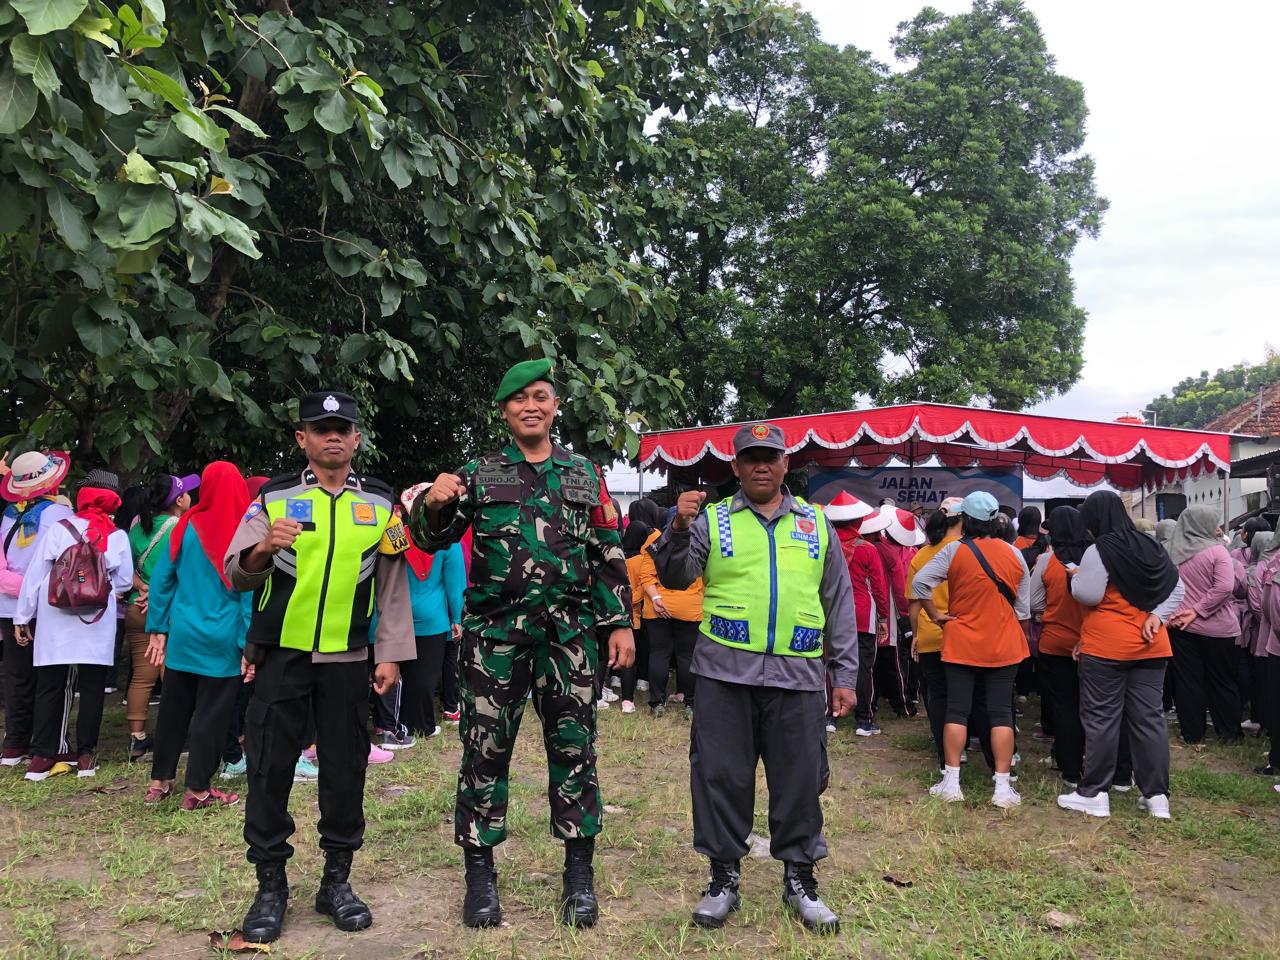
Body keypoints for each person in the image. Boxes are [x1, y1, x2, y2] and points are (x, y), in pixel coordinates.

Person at [407, 359, 634, 930]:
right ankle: (480, 879)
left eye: (541, 396)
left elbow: (607, 549)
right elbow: (431, 540)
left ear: (555, 406)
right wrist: (431, 503)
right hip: (494, 642)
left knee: (576, 754)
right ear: (505, 410)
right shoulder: (478, 474)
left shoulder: (584, 474)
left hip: (569, 641)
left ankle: (578, 878)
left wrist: (620, 623)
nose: (531, 406)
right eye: (519, 399)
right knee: (484, 753)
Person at [650, 421, 858, 934]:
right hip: (724, 676)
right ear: (736, 467)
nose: (761, 465)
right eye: (750, 458)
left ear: (786, 464)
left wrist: (846, 674)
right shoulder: (712, 521)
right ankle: (723, 880)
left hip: (798, 676)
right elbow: (676, 577)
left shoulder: (815, 523)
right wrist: (677, 530)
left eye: (771, 457)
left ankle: (801, 881)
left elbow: (839, 602)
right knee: (721, 776)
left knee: (801, 781)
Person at [223, 390, 415, 943]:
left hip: (350, 660)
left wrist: (393, 654)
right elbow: (237, 572)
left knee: (345, 769)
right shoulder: (272, 499)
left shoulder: (382, 505)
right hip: (282, 657)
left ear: (356, 439)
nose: (332, 437)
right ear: (301, 439)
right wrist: (263, 550)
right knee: (268, 769)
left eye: (342, 428)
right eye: (320, 428)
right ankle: (270, 887)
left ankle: (336, 883)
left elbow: (393, 581)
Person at [1057, 490, 1184, 820]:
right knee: (1149, 720)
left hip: (1106, 647)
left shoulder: (1099, 549)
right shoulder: (1152, 545)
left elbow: (1089, 593)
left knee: (1101, 719)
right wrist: (1158, 615)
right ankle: (1157, 798)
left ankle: (1094, 793)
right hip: (1152, 644)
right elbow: (1177, 587)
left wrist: (1075, 580)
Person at [910, 491, 1030, 808]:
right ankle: (1002, 787)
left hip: (961, 641)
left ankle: (952, 781)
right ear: (993, 520)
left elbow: (920, 583)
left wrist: (935, 615)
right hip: (1004, 643)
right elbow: (1023, 608)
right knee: (1001, 713)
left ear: (965, 521)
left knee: (956, 710)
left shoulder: (953, 552)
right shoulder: (1013, 553)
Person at [142, 462, 252, 809]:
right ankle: (198, 790)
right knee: (212, 715)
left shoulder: (185, 525)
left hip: (184, 635)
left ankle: (159, 782)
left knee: (174, 709)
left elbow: (162, 581)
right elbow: (249, 593)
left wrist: (158, 628)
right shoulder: (246, 531)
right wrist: (249, 644)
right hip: (223, 639)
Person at [16, 469, 133, 781]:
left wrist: (22, 616)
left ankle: (41, 758)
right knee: (93, 688)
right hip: (96, 620)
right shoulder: (117, 537)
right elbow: (122, 584)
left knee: (50, 685)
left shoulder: (58, 529)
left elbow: (36, 576)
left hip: (55, 620)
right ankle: (86, 756)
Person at [1, 450, 74, 767]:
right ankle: (47, 745)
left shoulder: (6, 517)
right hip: (47, 606)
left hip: (7, 606)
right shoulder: (59, 517)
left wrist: (14, 586)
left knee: (18, 676)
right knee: (51, 676)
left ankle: (14, 743)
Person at [122, 473, 199, 761]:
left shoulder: (136, 527)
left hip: (135, 607)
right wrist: (156, 593)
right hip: (167, 609)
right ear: (179, 500)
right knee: (173, 676)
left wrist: (142, 587)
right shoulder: (180, 527)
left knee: (142, 676)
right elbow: (183, 571)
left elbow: (124, 568)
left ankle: (137, 740)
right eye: (187, 492)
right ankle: (175, 736)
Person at [1165, 505, 1244, 744]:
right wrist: (1199, 611)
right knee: (1222, 680)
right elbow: (1225, 587)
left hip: (1181, 627)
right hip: (1218, 628)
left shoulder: (1171, 553)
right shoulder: (1217, 552)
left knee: (1188, 682)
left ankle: (1192, 733)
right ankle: (1229, 734)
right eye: (1214, 523)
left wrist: (1184, 613)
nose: (1218, 528)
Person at [1030, 506, 1089, 788]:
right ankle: (1099, 762)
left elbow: (1033, 602)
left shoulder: (1046, 561)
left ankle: (1068, 767)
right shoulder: (1096, 559)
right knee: (1094, 706)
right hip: (1093, 643)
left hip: (1055, 642)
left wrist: (1046, 610)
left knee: (1064, 707)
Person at [397, 496, 466, 739]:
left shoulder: (398, 536)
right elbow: (454, 586)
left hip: (398, 613)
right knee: (426, 674)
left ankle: (393, 722)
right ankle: (422, 725)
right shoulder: (448, 542)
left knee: (399, 673)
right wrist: (457, 618)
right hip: (433, 617)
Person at [824, 492, 887, 736]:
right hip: (861, 615)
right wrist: (882, 618)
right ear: (857, 521)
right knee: (862, 667)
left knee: (830, 663)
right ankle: (864, 720)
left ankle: (830, 716)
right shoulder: (867, 548)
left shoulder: (825, 544)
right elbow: (879, 588)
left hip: (829, 613)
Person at [907, 500, 963, 769]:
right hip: (961, 633)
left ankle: (945, 754)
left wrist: (916, 635)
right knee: (962, 693)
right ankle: (964, 745)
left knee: (937, 695)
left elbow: (915, 603)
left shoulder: (920, 557)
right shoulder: (966, 551)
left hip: (931, 634)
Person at [637, 508, 704, 718]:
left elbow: (645, 575)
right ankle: (690, 703)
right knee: (687, 657)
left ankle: (657, 702)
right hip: (690, 608)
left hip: (657, 609)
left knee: (658, 654)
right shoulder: (700, 539)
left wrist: (656, 599)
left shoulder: (656, 540)